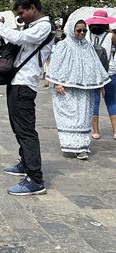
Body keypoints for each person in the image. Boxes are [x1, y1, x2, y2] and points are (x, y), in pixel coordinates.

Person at [0, 0, 54, 196]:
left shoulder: (43, 27)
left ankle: (35, 178)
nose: (21, 17)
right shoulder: (31, 27)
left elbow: (20, 38)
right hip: (17, 82)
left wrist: (0, 24)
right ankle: (25, 163)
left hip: (25, 85)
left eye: (22, 12)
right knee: (17, 126)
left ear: (33, 8)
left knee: (26, 130)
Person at [47, 19, 110, 159]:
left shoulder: (88, 47)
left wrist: (100, 84)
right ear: (71, 31)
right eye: (78, 30)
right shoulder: (63, 45)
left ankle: (82, 147)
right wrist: (57, 83)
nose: (81, 33)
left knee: (83, 118)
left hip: (85, 91)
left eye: (84, 30)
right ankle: (70, 144)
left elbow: (96, 65)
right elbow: (55, 64)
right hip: (67, 89)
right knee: (70, 117)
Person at [85, 9, 116, 140]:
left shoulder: (86, 36)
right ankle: (115, 132)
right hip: (110, 72)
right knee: (112, 101)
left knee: (94, 103)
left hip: (92, 73)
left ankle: (96, 131)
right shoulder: (112, 36)